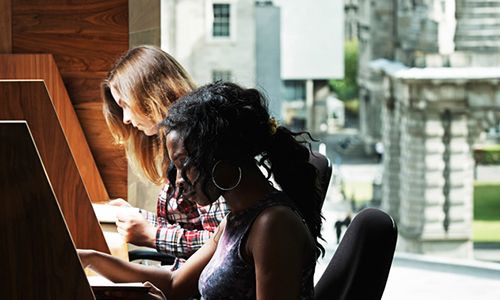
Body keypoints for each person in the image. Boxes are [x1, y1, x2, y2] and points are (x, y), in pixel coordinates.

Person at [79, 81, 325, 299]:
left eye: (184, 165)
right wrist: (90, 258)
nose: (179, 182)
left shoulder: (273, 225)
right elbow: (174, 284)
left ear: (220, 158)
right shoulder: (235, 220)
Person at [101, 45, 229, 269]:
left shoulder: (200, 146)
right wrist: (134, 217)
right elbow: (190, 224)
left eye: (125, 106)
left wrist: (152, 235)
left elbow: (223, 240)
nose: (126, 119)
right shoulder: (177, 143)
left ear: (150, 96)